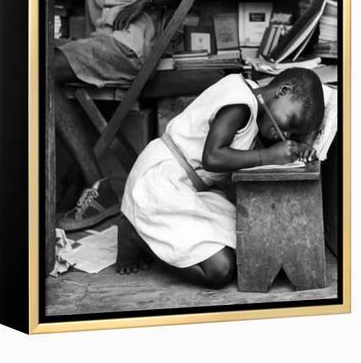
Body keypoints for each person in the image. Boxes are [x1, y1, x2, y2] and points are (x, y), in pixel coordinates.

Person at [116, 68, 325, 288]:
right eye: (291, 122)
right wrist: (268, 156)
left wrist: (299, 150)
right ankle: (136, 234)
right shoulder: (240, 104)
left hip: (189, 190)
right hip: (159, 184)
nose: (286, 133)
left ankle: (151, 233)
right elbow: (212, 157)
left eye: (292, 134)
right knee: (220, 270)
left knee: (251, 244)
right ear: (283, 90)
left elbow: (261, 150)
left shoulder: (255, 105)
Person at [53, 0, 191, 231]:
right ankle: (94, 183)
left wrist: (147, 0)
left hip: (127, 52)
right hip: (97, 50)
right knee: (38, 71)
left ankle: (97, 184)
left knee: (39, 70)